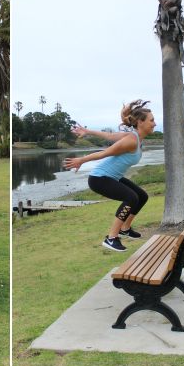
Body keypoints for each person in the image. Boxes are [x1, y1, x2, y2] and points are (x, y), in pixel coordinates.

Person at [63, 100, 156, 252]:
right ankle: (111, 238)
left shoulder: (135, 137)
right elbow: (104, 153)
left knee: (141, 196)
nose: (154, 123)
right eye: (152, 120)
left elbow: (109, 135)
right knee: (131, 198)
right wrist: (81, 160)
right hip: (99, 179)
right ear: (140, 122)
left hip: (112, 177)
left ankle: (125, 228)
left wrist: (88, 131)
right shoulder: (131, 141)